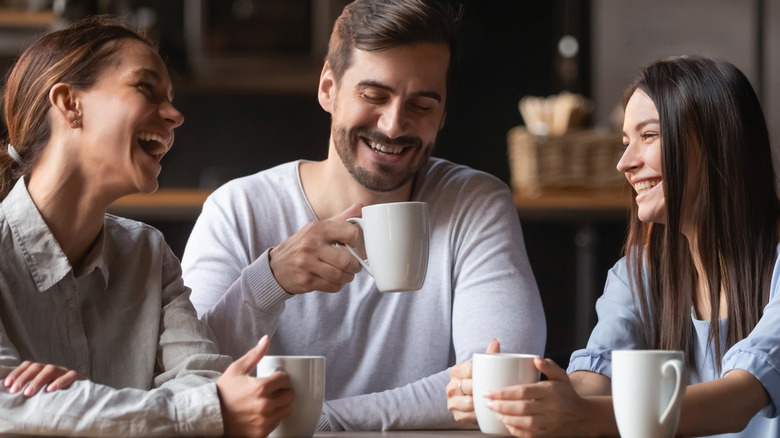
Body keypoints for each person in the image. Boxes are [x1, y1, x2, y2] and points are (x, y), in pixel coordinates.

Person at [181, 0, 546, 431]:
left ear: (444, 113)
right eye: (374, 95)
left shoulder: (474, 203)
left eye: (422, 105)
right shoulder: (238, 210)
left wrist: (320, 422)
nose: (394, 125)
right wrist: (269, 281)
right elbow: (193, 384)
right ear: (328, 88)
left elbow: (499, 384)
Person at [447, 55, 780, 437]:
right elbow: (596, 376)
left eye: (649, 136)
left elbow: (739, 399)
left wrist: (586, 417)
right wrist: (515, 399)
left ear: (719, 141)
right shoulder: (639, 272)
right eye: (626, 142)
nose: (624, 162)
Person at [0, 16, 294, 436]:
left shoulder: (149, 254)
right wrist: (186, 413)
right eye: (145, 88)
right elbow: (6, 410)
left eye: (171, 97)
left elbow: (204, 380)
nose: (175, 115)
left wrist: (69, 410)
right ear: (69, 104)